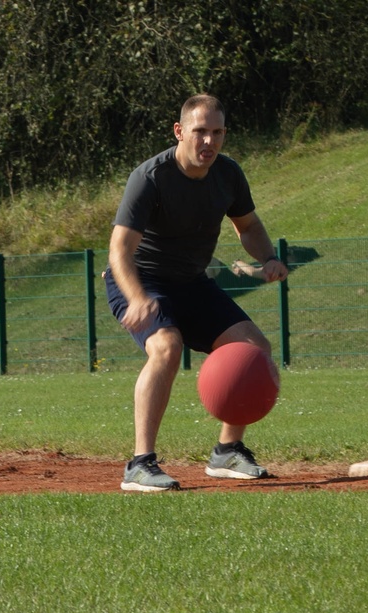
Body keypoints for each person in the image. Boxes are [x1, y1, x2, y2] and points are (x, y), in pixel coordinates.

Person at [105, 94, 288, 492]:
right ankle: (140, 464)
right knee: (166, 347)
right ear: (179, 131)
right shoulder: (151, 177)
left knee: (254, 347)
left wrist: (269, 257)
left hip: (191, 283)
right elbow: (119, 250)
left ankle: (227, 451)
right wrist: (137, 298)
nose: (209, 141)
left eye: (217, 132)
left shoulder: (228, 175)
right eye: (200, 131)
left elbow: (249, 226)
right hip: (142, 281)